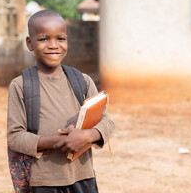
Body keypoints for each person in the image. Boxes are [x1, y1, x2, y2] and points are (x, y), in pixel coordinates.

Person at [7, 10, 115, 193]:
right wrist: (57, 141)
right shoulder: (21, 86)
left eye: (60, 39)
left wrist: (87, 136)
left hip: (83, 177)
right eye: (43, 39)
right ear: (30, 43)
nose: (53, 45)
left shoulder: (83, 81)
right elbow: (15, 137)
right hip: (43, 181)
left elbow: (107, 122)